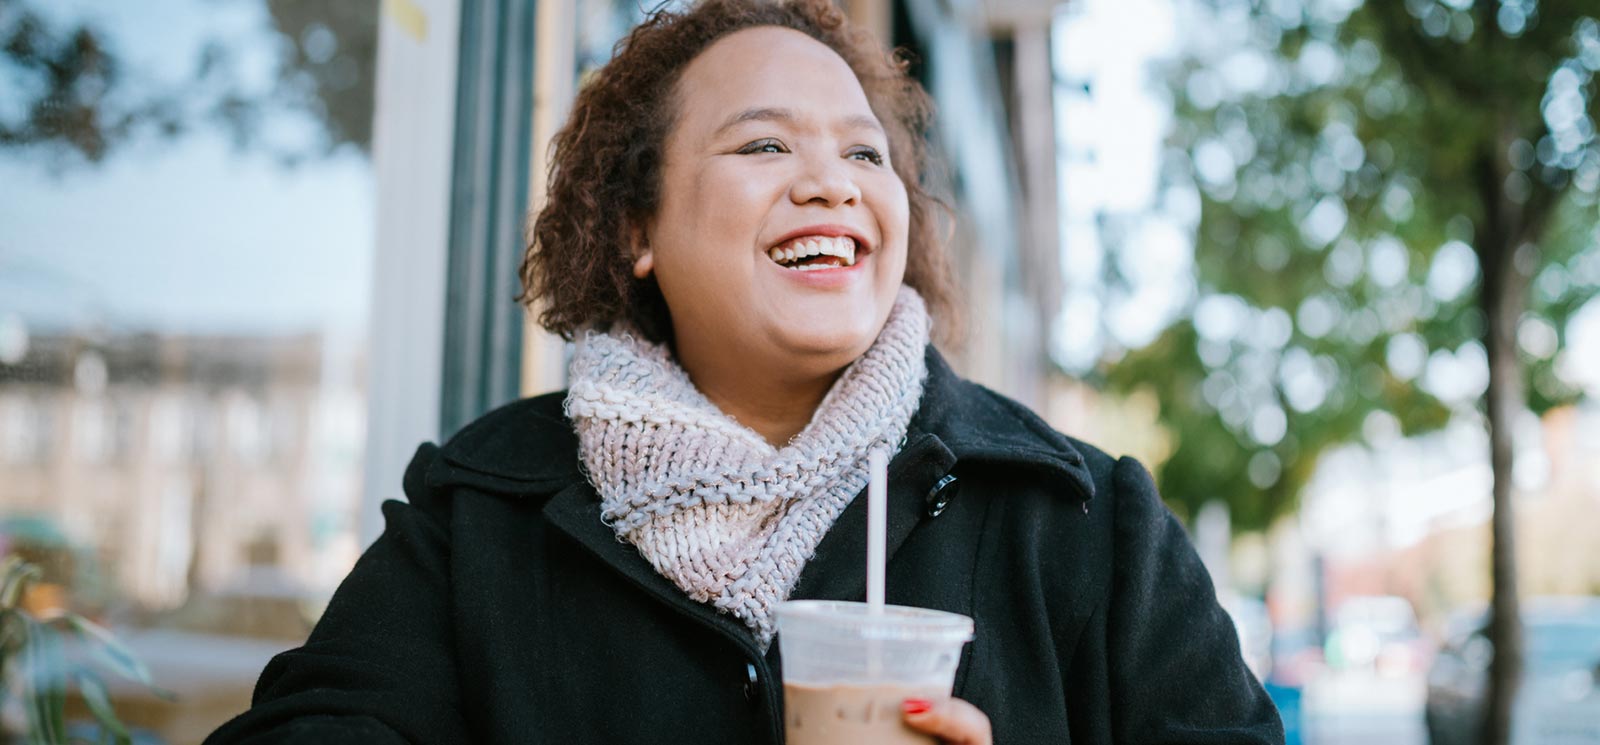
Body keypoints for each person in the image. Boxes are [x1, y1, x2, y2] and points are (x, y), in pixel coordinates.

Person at [205, 0, 1284, 742]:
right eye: (765, 146)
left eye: (865, 154)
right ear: (638, 227)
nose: (831, 180)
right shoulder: (481, 509)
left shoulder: (1086, 520)